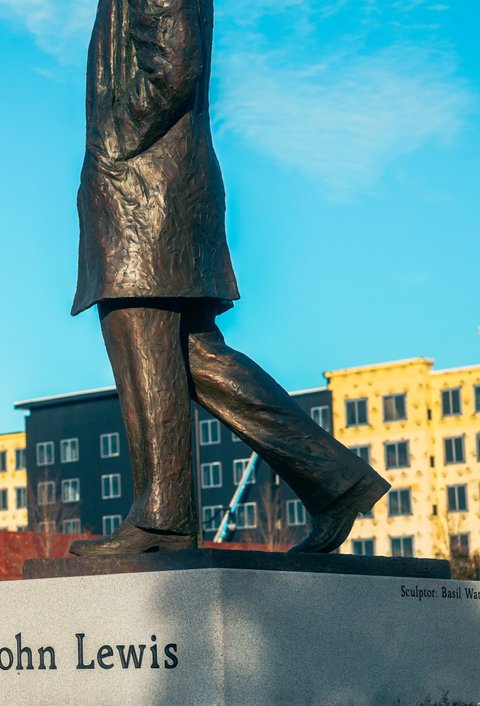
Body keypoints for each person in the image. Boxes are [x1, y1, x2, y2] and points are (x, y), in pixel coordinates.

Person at [69, 0, 388, 556]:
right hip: (156, 187)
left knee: (139, 332)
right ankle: (334, 481)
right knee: (196, 357)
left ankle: (163, 516)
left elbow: (175, 66)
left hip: (144, 192)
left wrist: (112, 143)